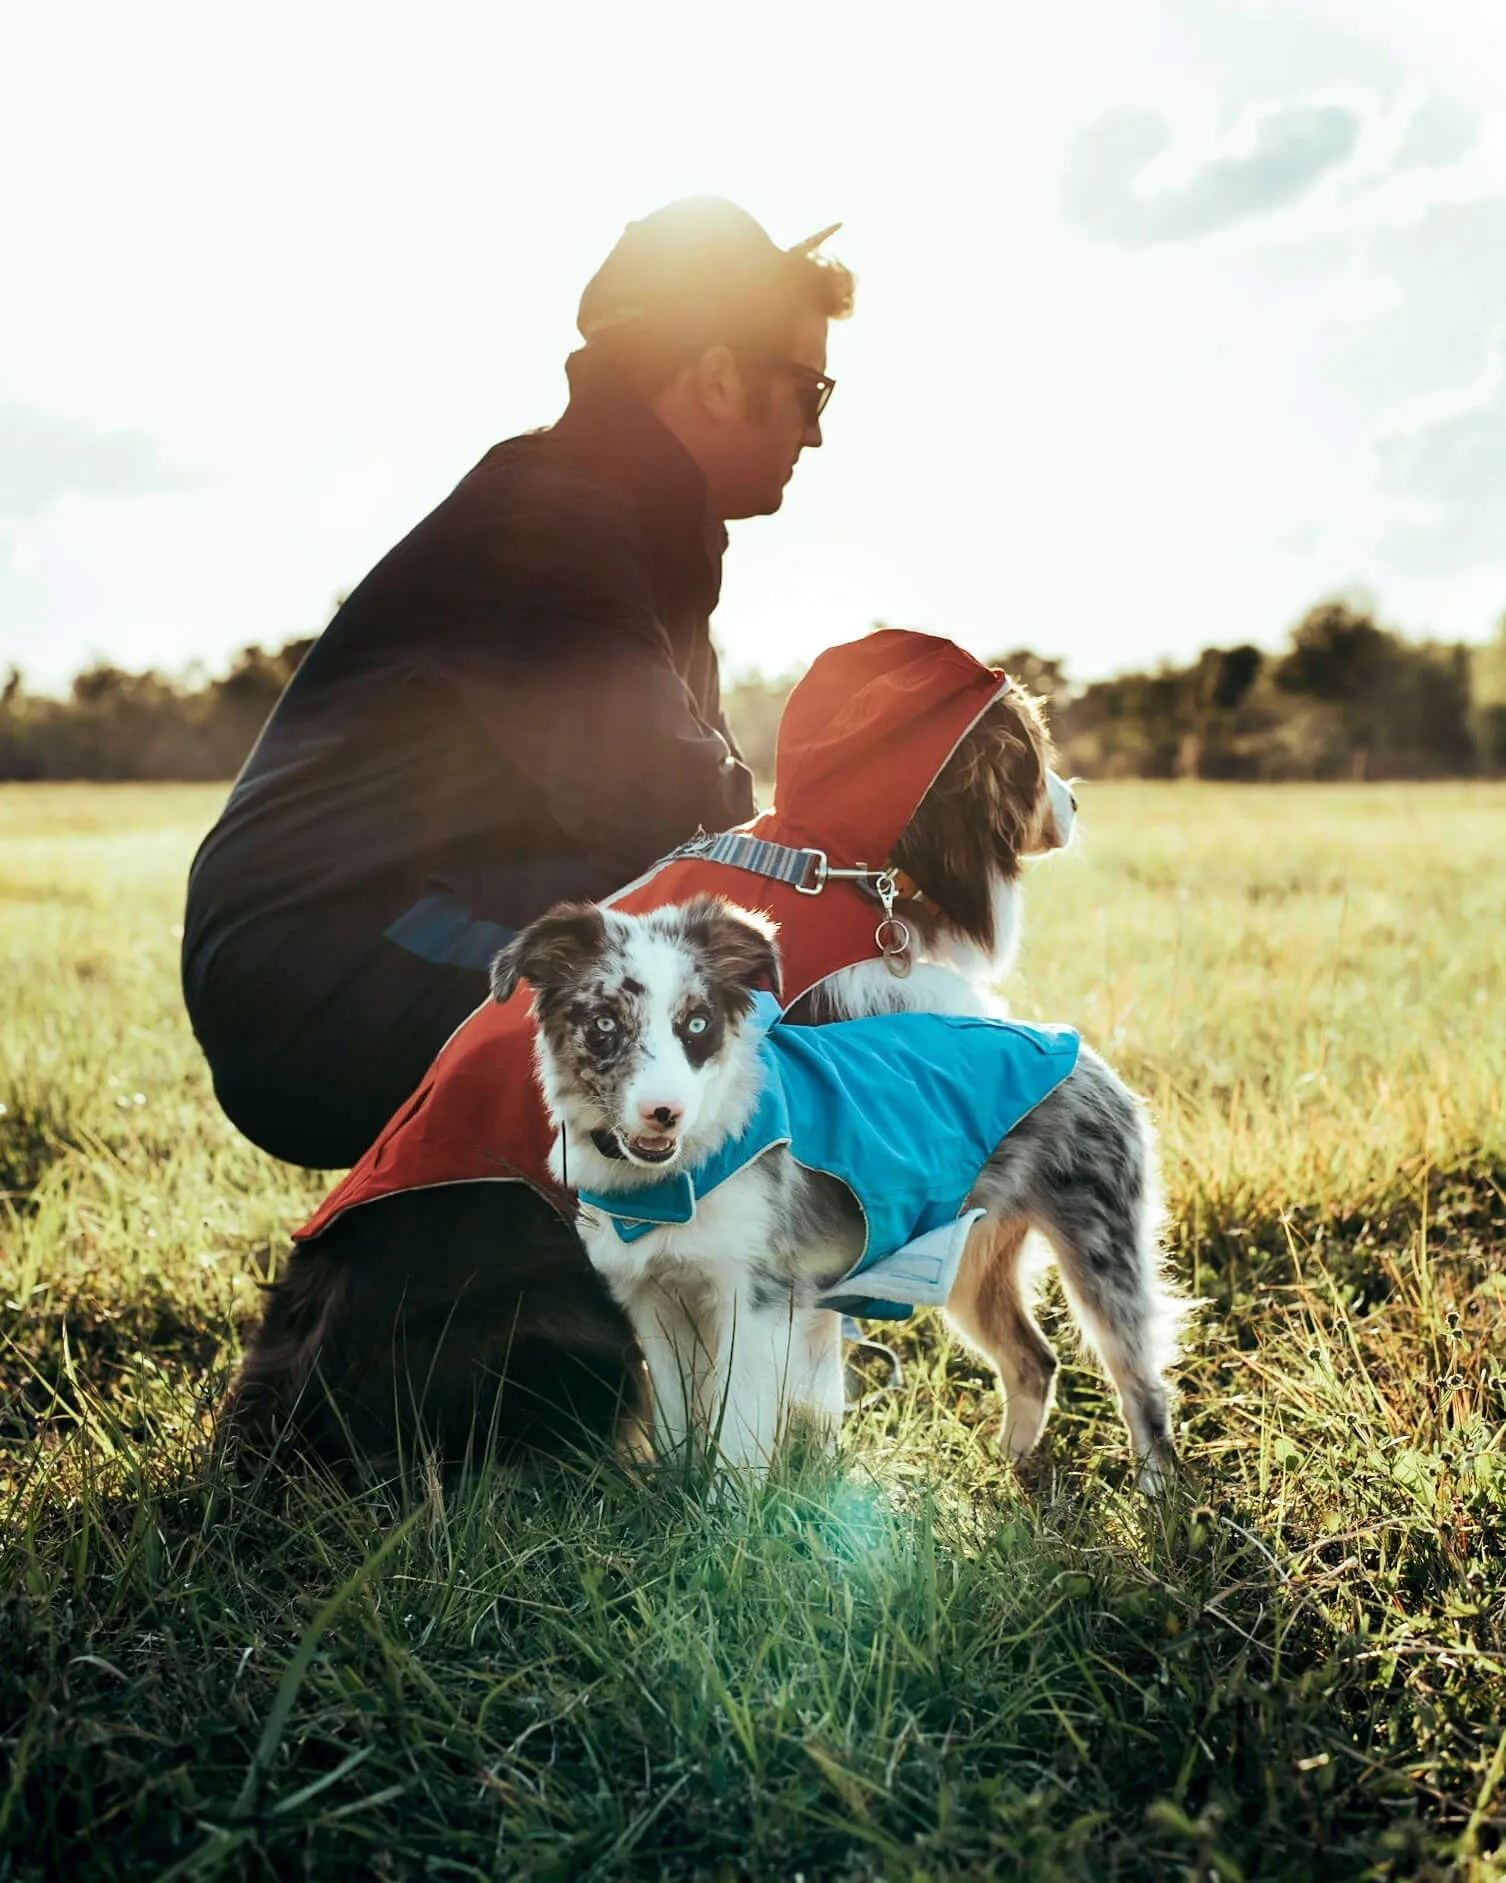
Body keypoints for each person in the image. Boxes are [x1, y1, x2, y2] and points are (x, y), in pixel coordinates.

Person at [180, 198, 854, 1169]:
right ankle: (546, 1303)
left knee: (723, 970)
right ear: (715, 377)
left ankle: (492, 1284)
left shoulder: (630, 525)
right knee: (729, 998)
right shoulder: (552, 524)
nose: (816, 433)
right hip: (322, 965)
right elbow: (677, 818)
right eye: (809, 390)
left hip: (368, 931)